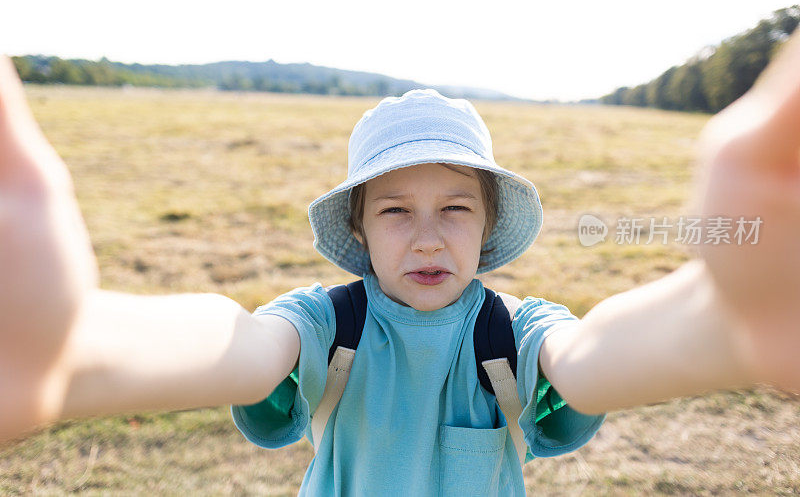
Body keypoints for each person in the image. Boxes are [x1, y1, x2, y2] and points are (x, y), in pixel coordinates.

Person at [0, 29, 798, 495]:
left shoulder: (510, 330)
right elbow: (240, 347)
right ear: (360, 227)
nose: (426, 237)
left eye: (455, 209)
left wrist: (721, 326)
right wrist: (79, 351)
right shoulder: (328, 320)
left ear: (488, 228)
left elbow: (588, 360)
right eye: (395, 211)